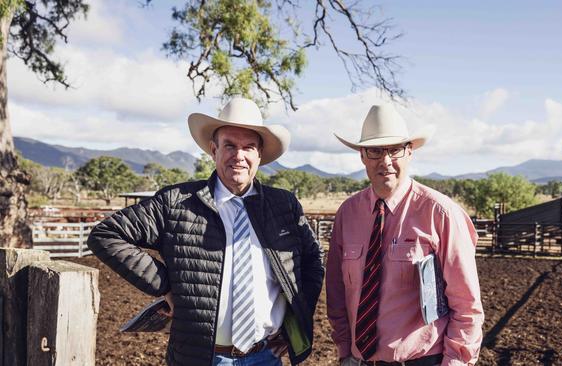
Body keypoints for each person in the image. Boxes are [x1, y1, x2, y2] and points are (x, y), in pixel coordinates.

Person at [88, 97, 324, 366]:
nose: (239, 156)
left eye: (248, 147)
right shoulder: (176, 202)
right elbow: (106, 234)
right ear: (214, 150)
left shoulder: (284, 206)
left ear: (259, 155)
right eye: (230, 146)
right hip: (201, 357)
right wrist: (165, 284)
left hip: (266, 356)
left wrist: (294, 323)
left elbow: (312, 263)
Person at [326, 104, 483, 366]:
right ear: (362, 156)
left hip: (422, 360)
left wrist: (456, 362)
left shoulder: (440, 213)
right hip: (359, 360)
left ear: (410, 152)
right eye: (375, 151)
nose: (385, 161)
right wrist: (345, 352)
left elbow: (466, 305)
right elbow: (336, 293)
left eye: (394, 150)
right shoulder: (347, 214)